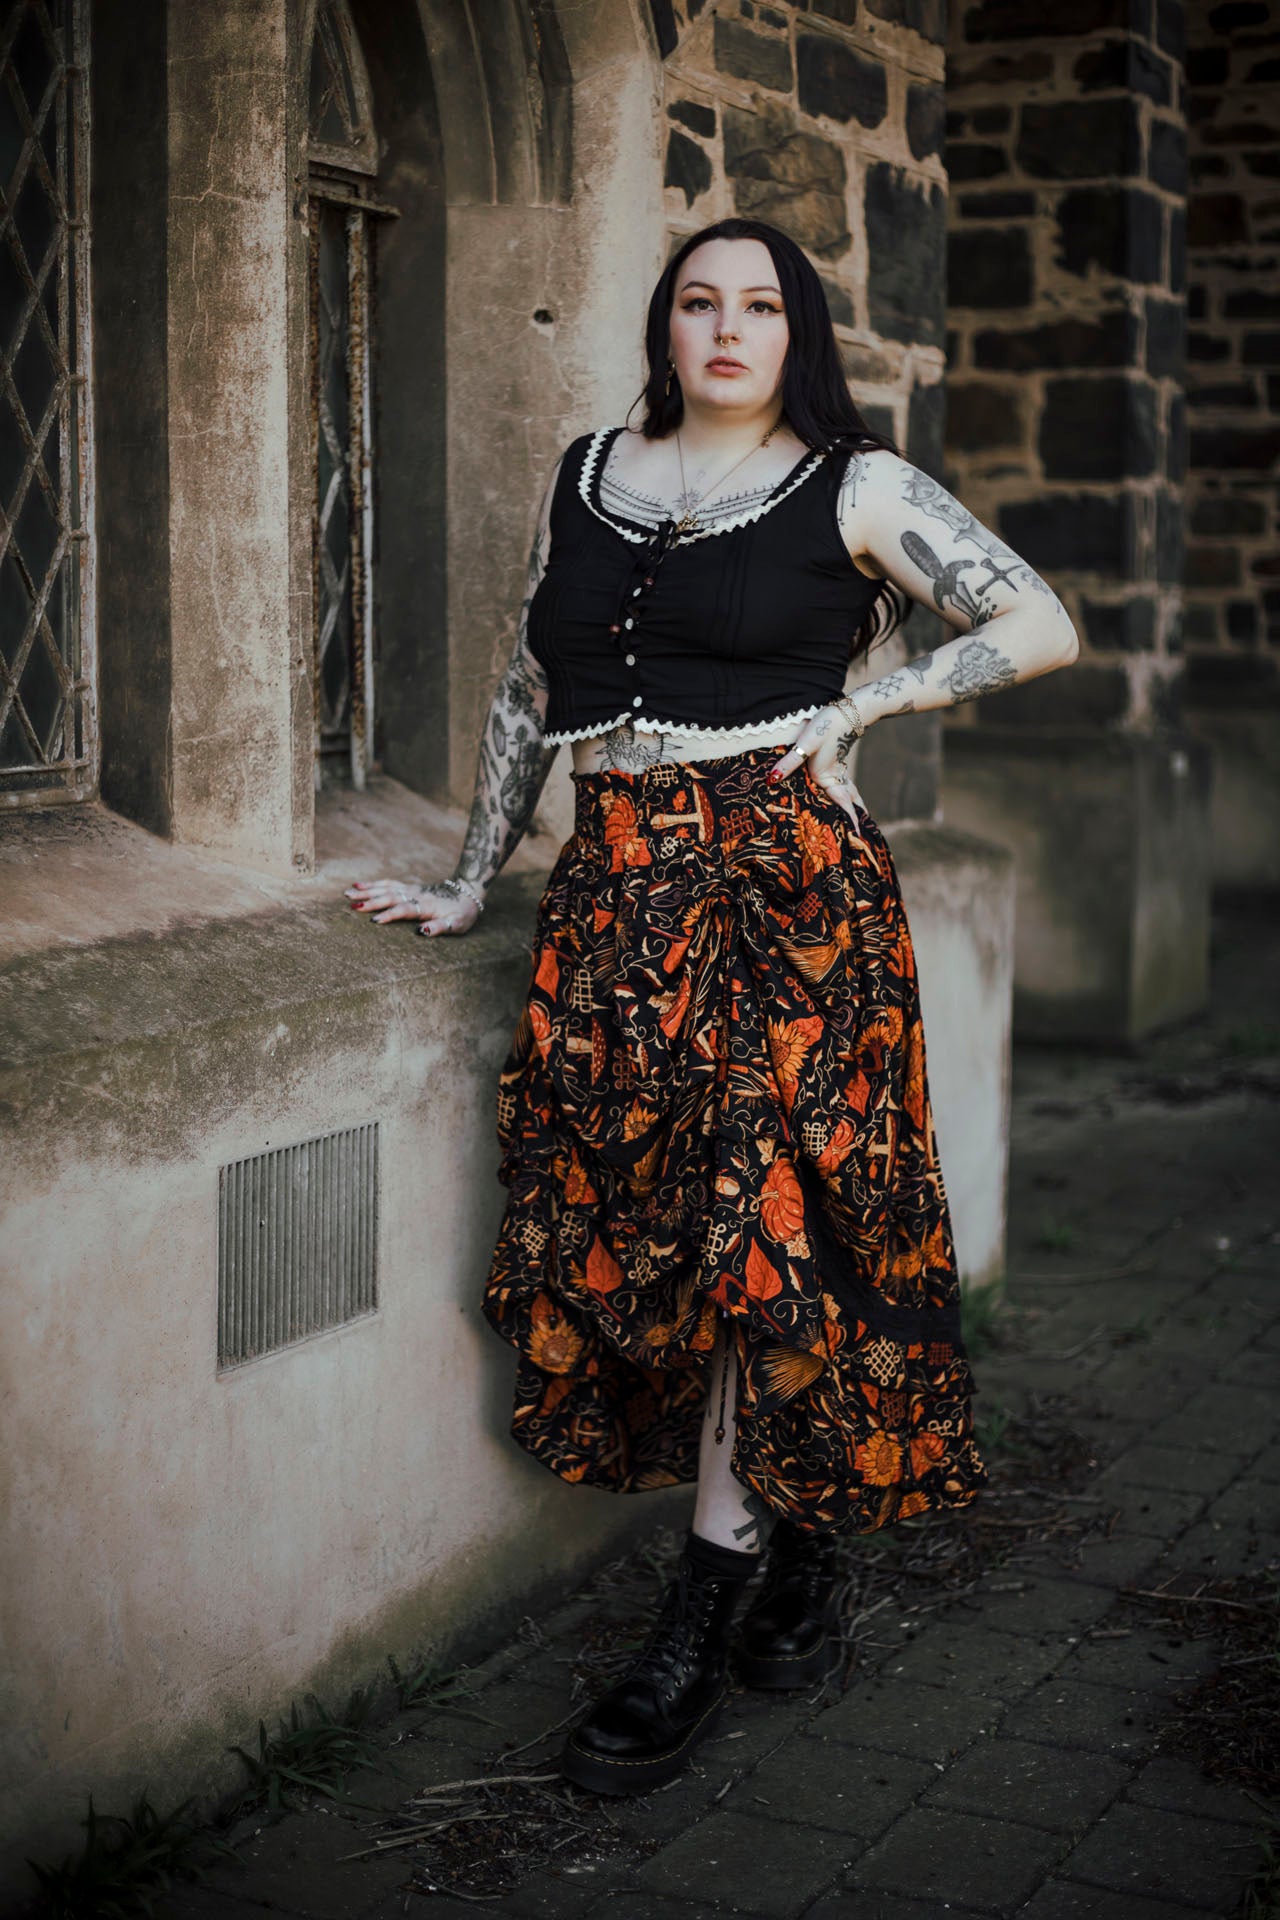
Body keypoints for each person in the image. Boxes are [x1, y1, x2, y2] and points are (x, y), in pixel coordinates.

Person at [346, 217, 1078, 1797]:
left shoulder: (856, 486)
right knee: (677, 1235)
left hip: (788, 904)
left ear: (794, 332)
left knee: (763, 1235)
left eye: (760, 306)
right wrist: (477, 877)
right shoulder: (591, 469)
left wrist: (873, 701)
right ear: (665, 327)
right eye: (699, 303)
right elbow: (531, 688)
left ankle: (699, 1608)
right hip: (610, 905)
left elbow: (1037, 622)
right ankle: (801, 1534)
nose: (727, 329)